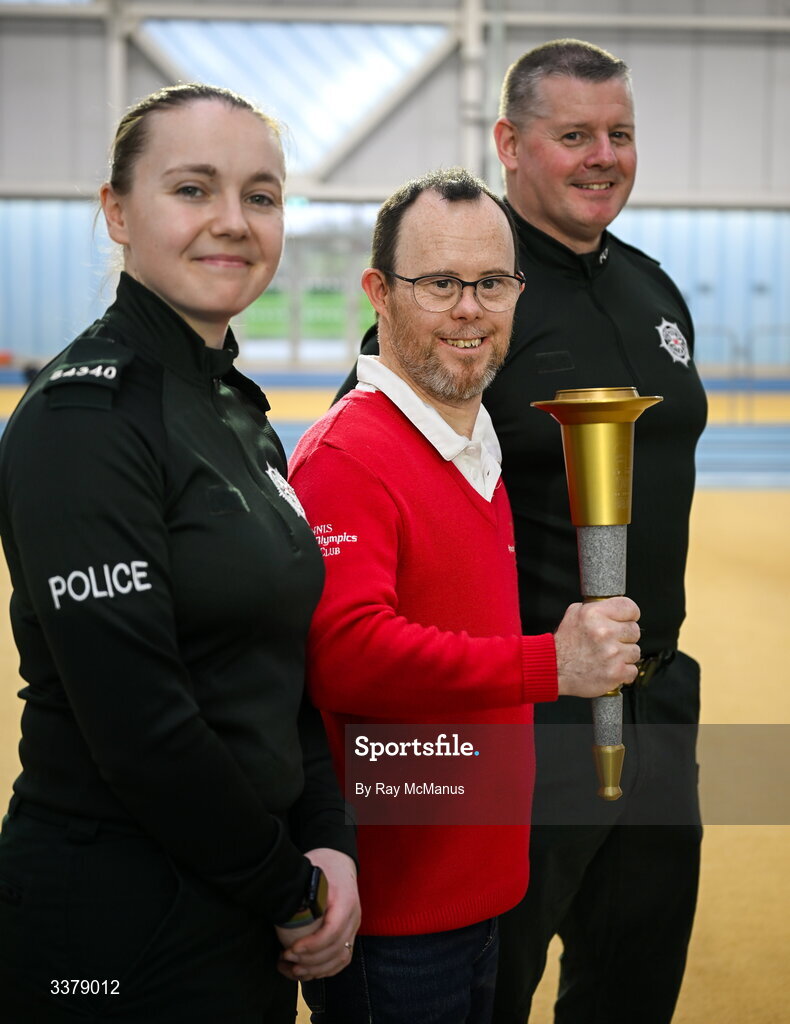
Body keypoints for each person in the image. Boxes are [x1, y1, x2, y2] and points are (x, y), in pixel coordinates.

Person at [338, 39, 706, 1024]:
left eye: (619, 134)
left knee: (633, 977)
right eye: (572, 134)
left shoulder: (652, 288)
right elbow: (370, 458)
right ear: (508, 142)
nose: (602, 155)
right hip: (516, 716)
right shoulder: (468, 288)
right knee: (487, 986)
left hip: (655, 693)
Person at [0, 83, 359, 1023]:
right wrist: (291, 888)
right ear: (118, 212)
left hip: (242, 892)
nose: (233, 223)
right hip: (118, 913)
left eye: (262, 195)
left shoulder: (237, 414)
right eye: (193, 189)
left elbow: (282, 664)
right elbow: (139, 724)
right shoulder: (83, 420)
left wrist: (329, 843)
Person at [289, 167, 642, 1024]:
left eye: (492, 283)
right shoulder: (347, 455)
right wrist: (547, 664)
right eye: (440, 283)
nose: (470, 309)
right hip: (398, 924)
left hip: (483, 893)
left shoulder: (471, 434)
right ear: (379, 291)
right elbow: (348, 659)